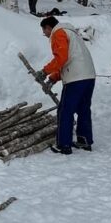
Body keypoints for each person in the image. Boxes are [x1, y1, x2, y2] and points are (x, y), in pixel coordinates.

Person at [37, 15, 96, 155]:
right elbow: (70, 59)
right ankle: (84, 140)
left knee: (65, 111)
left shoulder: (58, 33)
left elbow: (61, 58)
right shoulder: (72, 33)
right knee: (83, 109)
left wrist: (45, 71)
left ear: (49, 27)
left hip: (75, 78)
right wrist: (53, 79)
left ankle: (64, 145)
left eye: (44, 30)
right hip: (88, 76)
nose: (44, 34)